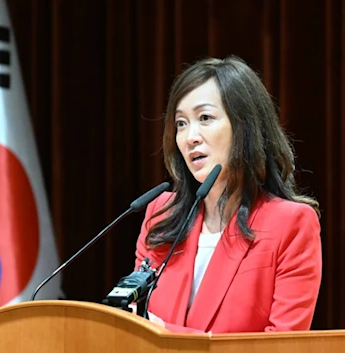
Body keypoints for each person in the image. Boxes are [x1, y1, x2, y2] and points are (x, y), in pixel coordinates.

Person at [134, 56, 322, 334]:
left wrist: (168, 336)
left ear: (244, 127)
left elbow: (283, 345)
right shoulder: (162, 214)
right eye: (181, 123)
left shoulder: (291, 224)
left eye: (205, 118)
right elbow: (136, 325)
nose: (190, 137)